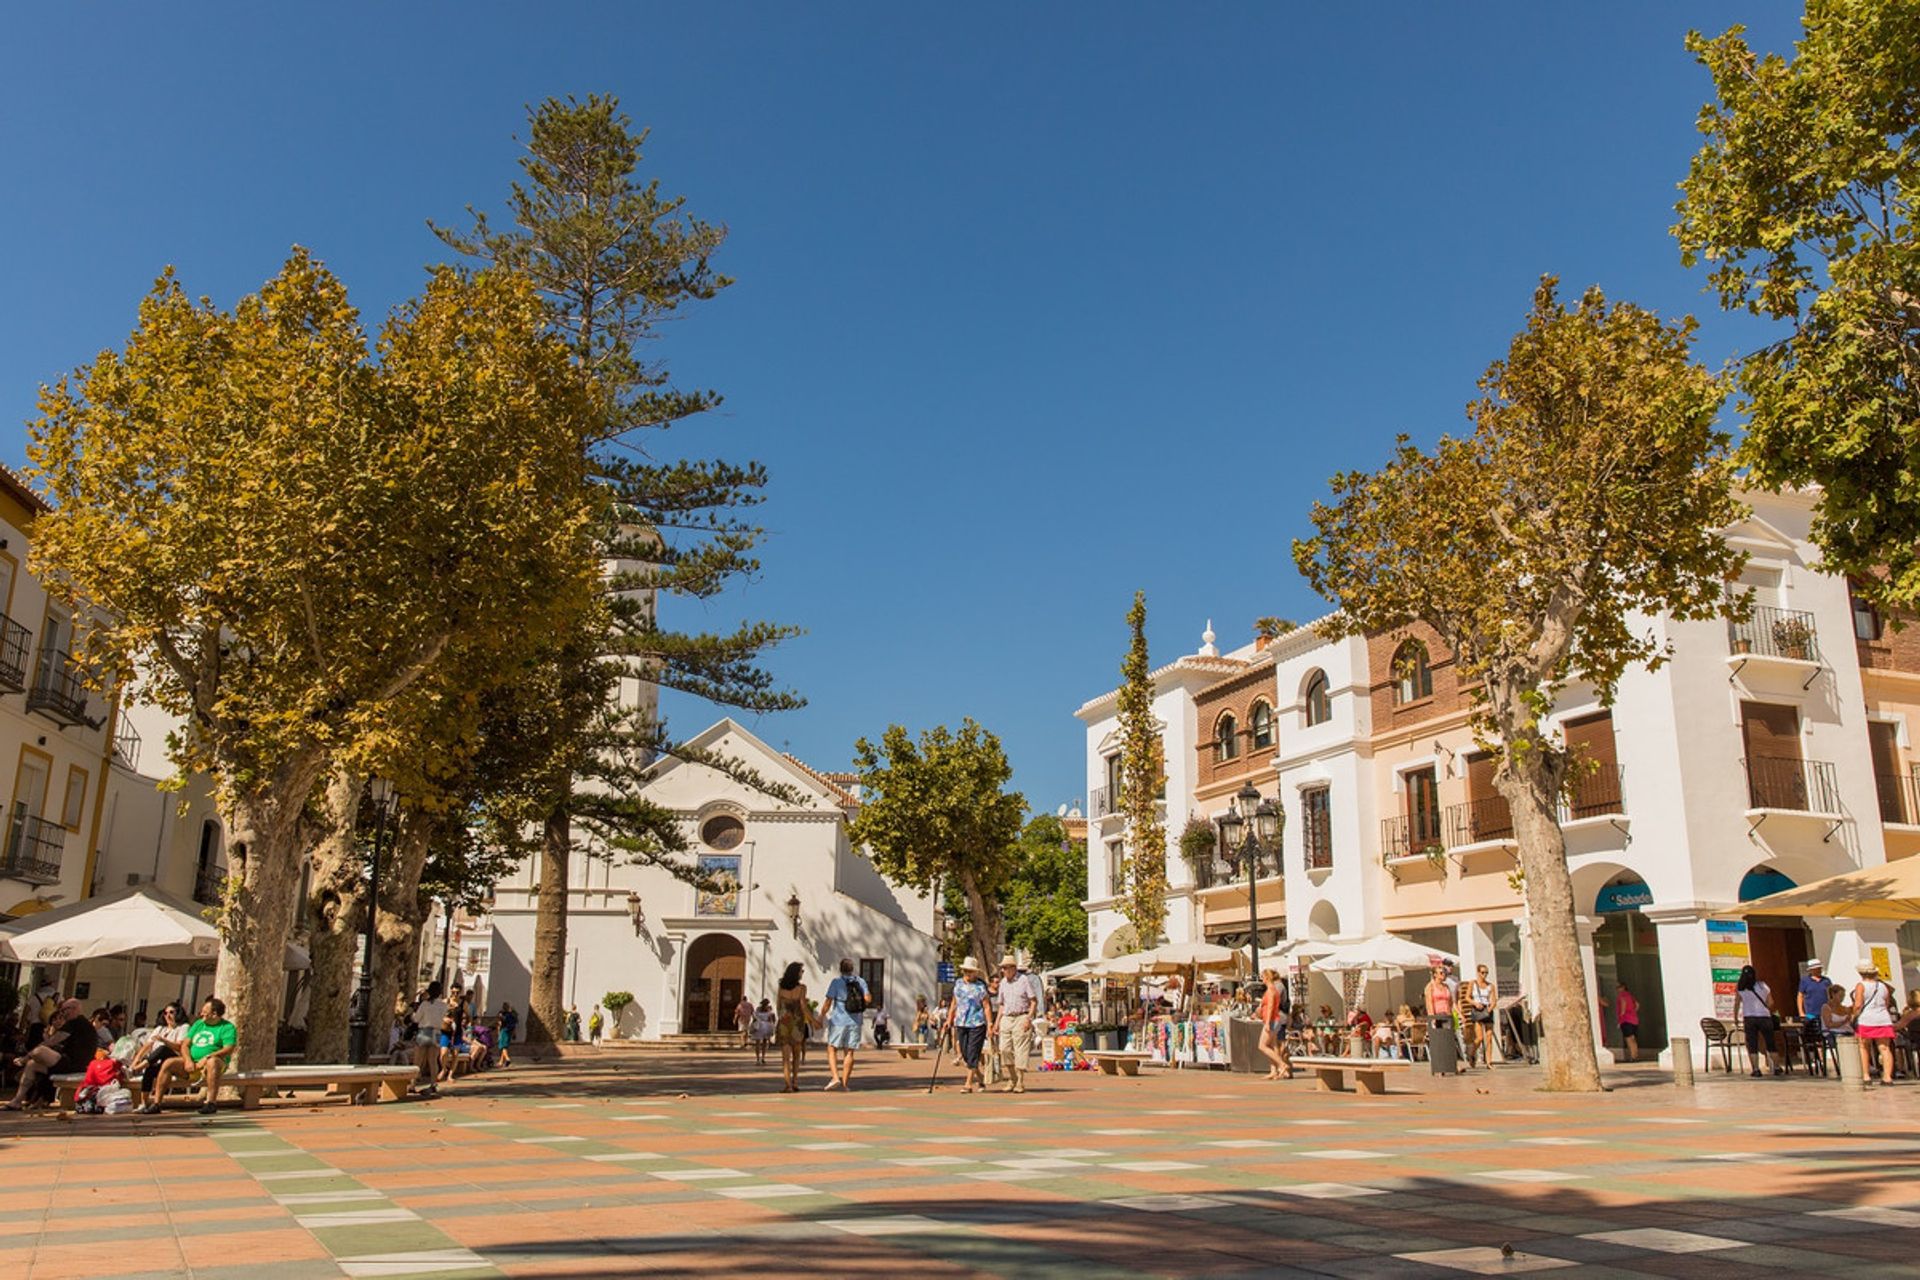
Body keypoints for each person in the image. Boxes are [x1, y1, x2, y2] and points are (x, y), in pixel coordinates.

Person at [144, 997, 237, 1114]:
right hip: (192, 1063)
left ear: (214, 1014)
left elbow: (229, 1048)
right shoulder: (198, 1024)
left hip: (214, 1064)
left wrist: (208, 1057)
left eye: (204, 1011)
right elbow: (185, 1045)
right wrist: (188, 1060)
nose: (201, 1013)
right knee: (169, 1063)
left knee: (212, 1062)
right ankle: (157, 1103)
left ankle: (211, 1103)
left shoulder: (227, 1027)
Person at [4, 998, 94, 1110]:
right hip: (71, 1062)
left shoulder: (75, 1022)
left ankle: (24, 1063)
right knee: (32, 1065)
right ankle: (17, 1101)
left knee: (39, 1051)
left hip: (74, 1063)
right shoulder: (81, 1024)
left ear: (73, 1009)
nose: (63, 1014)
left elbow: (51, 1042)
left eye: (64, 1010)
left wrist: (25, 1057)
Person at [995, 954, 1044, 1094]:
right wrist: (996, 1023)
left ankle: (1020, 1081)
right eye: (1002, 968)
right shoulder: (1003, 982)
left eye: (1005, 968)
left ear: (1013, 968)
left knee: (1020, 1049)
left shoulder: (1023, 980)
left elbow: (1033, 1000)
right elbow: (1001, 1004)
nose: (1003, 970)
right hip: (1006, 1017)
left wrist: (1029, 1017)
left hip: (1021, 1016)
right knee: (1004, 1049)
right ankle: (1012, 1077)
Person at [946, 956, 993, 1094]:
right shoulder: (958, 984)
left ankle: (968, 1083)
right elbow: (954, 1003)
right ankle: (981, 1078)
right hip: (961, 1022)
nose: (968, 973)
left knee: (973, 1052)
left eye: (970, 971)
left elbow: (986, 1006)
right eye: (966, 971)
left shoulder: (980, 986)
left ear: (976, 972)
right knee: (965, 1054)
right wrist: (949, 1019)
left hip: (977, 1023)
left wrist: (990, 1023)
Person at [821, 958, 868, 1090]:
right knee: (849, 1052)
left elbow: (828, 1001)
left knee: (832, 1048)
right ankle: (845, 1084)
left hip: (838, 1020)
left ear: (841, 969)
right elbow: (868, 998)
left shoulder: (836, 982)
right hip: (855, 1021)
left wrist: (821, 1016)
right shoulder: (860, 981)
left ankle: (835, 1077)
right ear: (852, 968)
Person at [1852, 959, 1899, 1086]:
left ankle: (1866, 1076)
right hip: (1883, 1018)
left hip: (1866, 1019)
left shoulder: (1860, 985)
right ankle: (1887, 1077)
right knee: (1885, 1048)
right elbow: (1887, 1003)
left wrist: (1854, 1016)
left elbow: (1858, 1004)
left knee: (1864, 1047)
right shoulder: (1883, 986)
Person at [130, 1003, 190, 1099]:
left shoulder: (183, 1027)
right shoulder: (160, 1029)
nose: (168, 1016)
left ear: (178, 1013)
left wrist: (164, 1040)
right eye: (165, 1013)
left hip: (175, 1060)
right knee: (149, 1070)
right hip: (158, 1061)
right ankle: (144, 1103)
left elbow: (179, 1046)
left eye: (171, 1012)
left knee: (163, 1049)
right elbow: (147, 1046)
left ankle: (139, 1067)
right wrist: (137, 1059)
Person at [773, 962, 814, 1092]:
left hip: (784, 1024)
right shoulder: (802, 988)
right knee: (796, 1055)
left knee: (785, 1058)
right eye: (801, 971)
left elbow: (778, 1005)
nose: (802, 973)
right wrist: (813, 1021)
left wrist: (782, 1017)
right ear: (796, 973)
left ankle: (788, 1085)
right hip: (797, 1024)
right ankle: (795, 1082)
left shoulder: (781, 987)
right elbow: (803, 1006)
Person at [1735, 965, 1782, 1077]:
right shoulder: (1763, 986)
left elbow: (1737, 1003)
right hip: (1764, 1017)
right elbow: (1771, 1002)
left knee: (1752, 1044)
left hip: (1749, 1017)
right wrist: (1766, 1009)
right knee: (1770, 1043)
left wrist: (1735, 1017)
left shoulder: (1740, 988)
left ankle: (1756, 1069)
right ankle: (1776, 1067)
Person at [410, 981, 449, 1097]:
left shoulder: (424, 1004)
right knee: (433, 1061)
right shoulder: (443, 1005)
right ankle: (433, 1084)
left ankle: (412, 1084)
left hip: (423, 1032)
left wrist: (412, 1015)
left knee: (418, 1061)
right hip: (436, 1033)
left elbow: (416, 1019)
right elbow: (443, 1018)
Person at [1255, 968, 1292, 1080]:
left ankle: (1282, 1065)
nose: (1262, 979)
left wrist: (1267, 1022)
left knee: (1262, 1046)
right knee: (1272, 1045)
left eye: (1263, 976)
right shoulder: (1272, 990)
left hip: (1271, 1020)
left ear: (1267, 977)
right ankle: (1274, 1071)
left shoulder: (1271, 990)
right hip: (1274, 1020)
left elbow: (1271, 1006)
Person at [1462, 965, 1497, 1067]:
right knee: (1479, 1038)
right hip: (1477, 1010)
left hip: (1487, 1009)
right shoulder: (1473, 983)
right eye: (1482, 972)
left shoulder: (1490, 986)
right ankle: (1472, 1054)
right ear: (1478, 972)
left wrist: (1489, 1009)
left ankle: (1489, 1061)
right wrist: (1475, 1003)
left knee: (1489, 1037)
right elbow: (1467, 997)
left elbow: (1494, 1000)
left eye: (1486, 973)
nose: (1484, 975)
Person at [1796, 959, 1833, 1043]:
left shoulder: (1826, 981)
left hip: (1825, 1012)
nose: (1818, 970)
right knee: (1816, 1035)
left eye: (1819, 968)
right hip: (1811, 1013)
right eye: (1816, 969)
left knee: (1828, 1034)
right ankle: (1820, 1055)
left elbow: (1832, 995)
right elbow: (1800, 996)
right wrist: (1801, 1012)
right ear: (1811, 970)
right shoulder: (1805, 981)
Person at [1611, 981, 1641, 1064]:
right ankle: (1635, 1055)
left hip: (1626, 1020)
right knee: (1633, 1038)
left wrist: (1621, 1017)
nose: (1617, 989)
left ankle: (1632, 1056)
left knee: (1629, 1039)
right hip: (1634, 1019)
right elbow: (1637, 1004)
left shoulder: (1621, 995)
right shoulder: (1630, 995)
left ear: (1622, 987)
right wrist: (1633, 1012)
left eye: (1618, 987)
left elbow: (1623, 1005)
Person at [750, 998, 775, 1066]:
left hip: (759, 1026)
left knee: (757, 1043)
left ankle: (758, 1059)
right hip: (766, 1026)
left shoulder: (758, 1009)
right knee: (764, 1043)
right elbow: (771, 1020)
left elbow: (754, 1017)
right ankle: (763, 1058)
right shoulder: (769, 1010)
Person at [496, 1002, 517, 1068]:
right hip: (509, 1031)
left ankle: (507, 1059)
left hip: (503, 1030)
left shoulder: (501, 1014)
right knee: (505, 1046)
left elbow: (499, 1024)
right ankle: (501, 1062)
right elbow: (514, 1025)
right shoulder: (512, 1015)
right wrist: (514, 1033)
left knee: (503, 1046)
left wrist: (498, 1033)